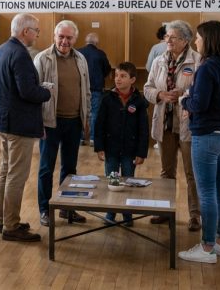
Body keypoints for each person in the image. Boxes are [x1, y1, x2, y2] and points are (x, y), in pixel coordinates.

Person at [0, 13, 51, 242]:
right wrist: (46, 91)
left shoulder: (1, 50)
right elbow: (28, 92)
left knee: (5, 172)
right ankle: (11, 226)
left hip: (4, 121)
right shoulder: (21, 55)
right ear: (26, 31)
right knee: (17, 175)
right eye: (36, 30)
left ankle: (2, 219)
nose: (37, 35)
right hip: (18, 125)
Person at [178, 20, 220, 263]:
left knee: (207, 192)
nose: (196, 42)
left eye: (199, 38)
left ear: (209, 40)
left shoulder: (207, 67)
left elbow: (199, 104)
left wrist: (184, 101)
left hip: (208, 135)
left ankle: (207, 248)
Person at [144, 20, 202, 231]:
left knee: (191, 173)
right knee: (166, 172)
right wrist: (159, 94)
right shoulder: (159, 60)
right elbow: (147, 88)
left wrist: (181, 95)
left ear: (185, 40)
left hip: (188, 125)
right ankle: (163, 211)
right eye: (166, 37)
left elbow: (201, 92)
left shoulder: (197, 61)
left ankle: (195, 215)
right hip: (165, 124)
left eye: (173, 37)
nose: (168, 41)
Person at [34, 20, 91, 227]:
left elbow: (86, 91)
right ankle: (45, 210)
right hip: (50, 122)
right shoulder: (42, 59)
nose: (64, 41)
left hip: (74, 122)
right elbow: (34, 92)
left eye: (69, 37)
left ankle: (67, 208)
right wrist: (37, 123)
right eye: (61, 37)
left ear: (75, 39)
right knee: (46, 168)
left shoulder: (81, 59)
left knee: (70, 168)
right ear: (54, 37)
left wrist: (86, 119)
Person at [94, 62, 149, 227]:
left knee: (127, 181)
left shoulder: (139, 101)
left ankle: (127, 215)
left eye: (123, 76)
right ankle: (110, 214)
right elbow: (99, 124)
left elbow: (143, 129)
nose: (118, 79)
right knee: (113, 181)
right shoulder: (107, 98)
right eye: (116, 75)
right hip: (111, 149)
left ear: (132, 79)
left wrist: (141, 153)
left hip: (130, 151)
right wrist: (99, 147)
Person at [77, 32, 112, 146]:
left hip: (80, 88)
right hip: (96, 88)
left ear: (86, 41)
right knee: (95, 113)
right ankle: (93, 138)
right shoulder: (100, 53)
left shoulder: (78, 52)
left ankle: (81, 138)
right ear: (96, 42)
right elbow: (107, 69)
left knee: (80, 112)